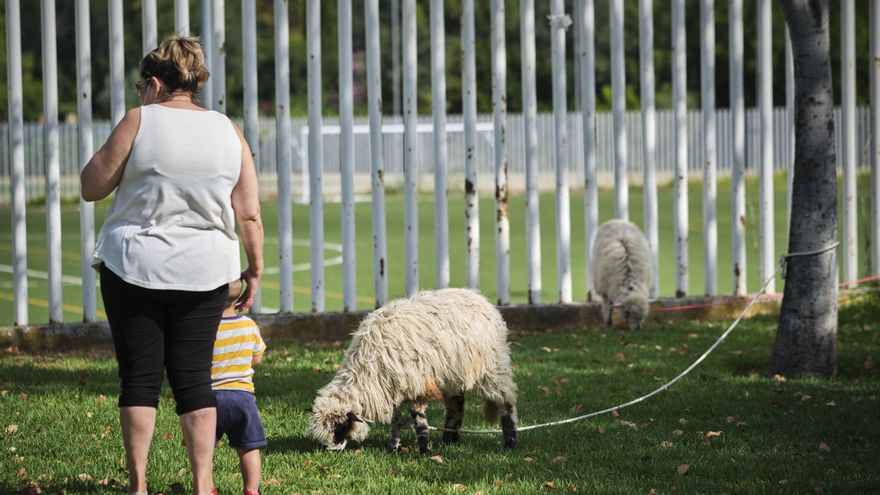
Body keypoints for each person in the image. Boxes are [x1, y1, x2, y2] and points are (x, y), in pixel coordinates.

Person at [80, 35, 263, 495]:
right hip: (205, 271)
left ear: (155, 83)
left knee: (139, 379)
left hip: (133, 265)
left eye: (141, 86)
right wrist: (254, 268)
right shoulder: (228, 130)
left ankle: (139, 485)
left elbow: (92, 185)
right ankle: (204, 485)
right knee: (195, 380)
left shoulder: (139, 120)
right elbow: (249, 212)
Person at [213, 278, 267, 495]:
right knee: (248, 448)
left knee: (203, 449)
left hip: (210, 398)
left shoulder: (205, 328)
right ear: (241, 297)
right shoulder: (249, 326)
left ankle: (206, 486)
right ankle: (251, 490)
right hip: (243, 398)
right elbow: (257, 358)